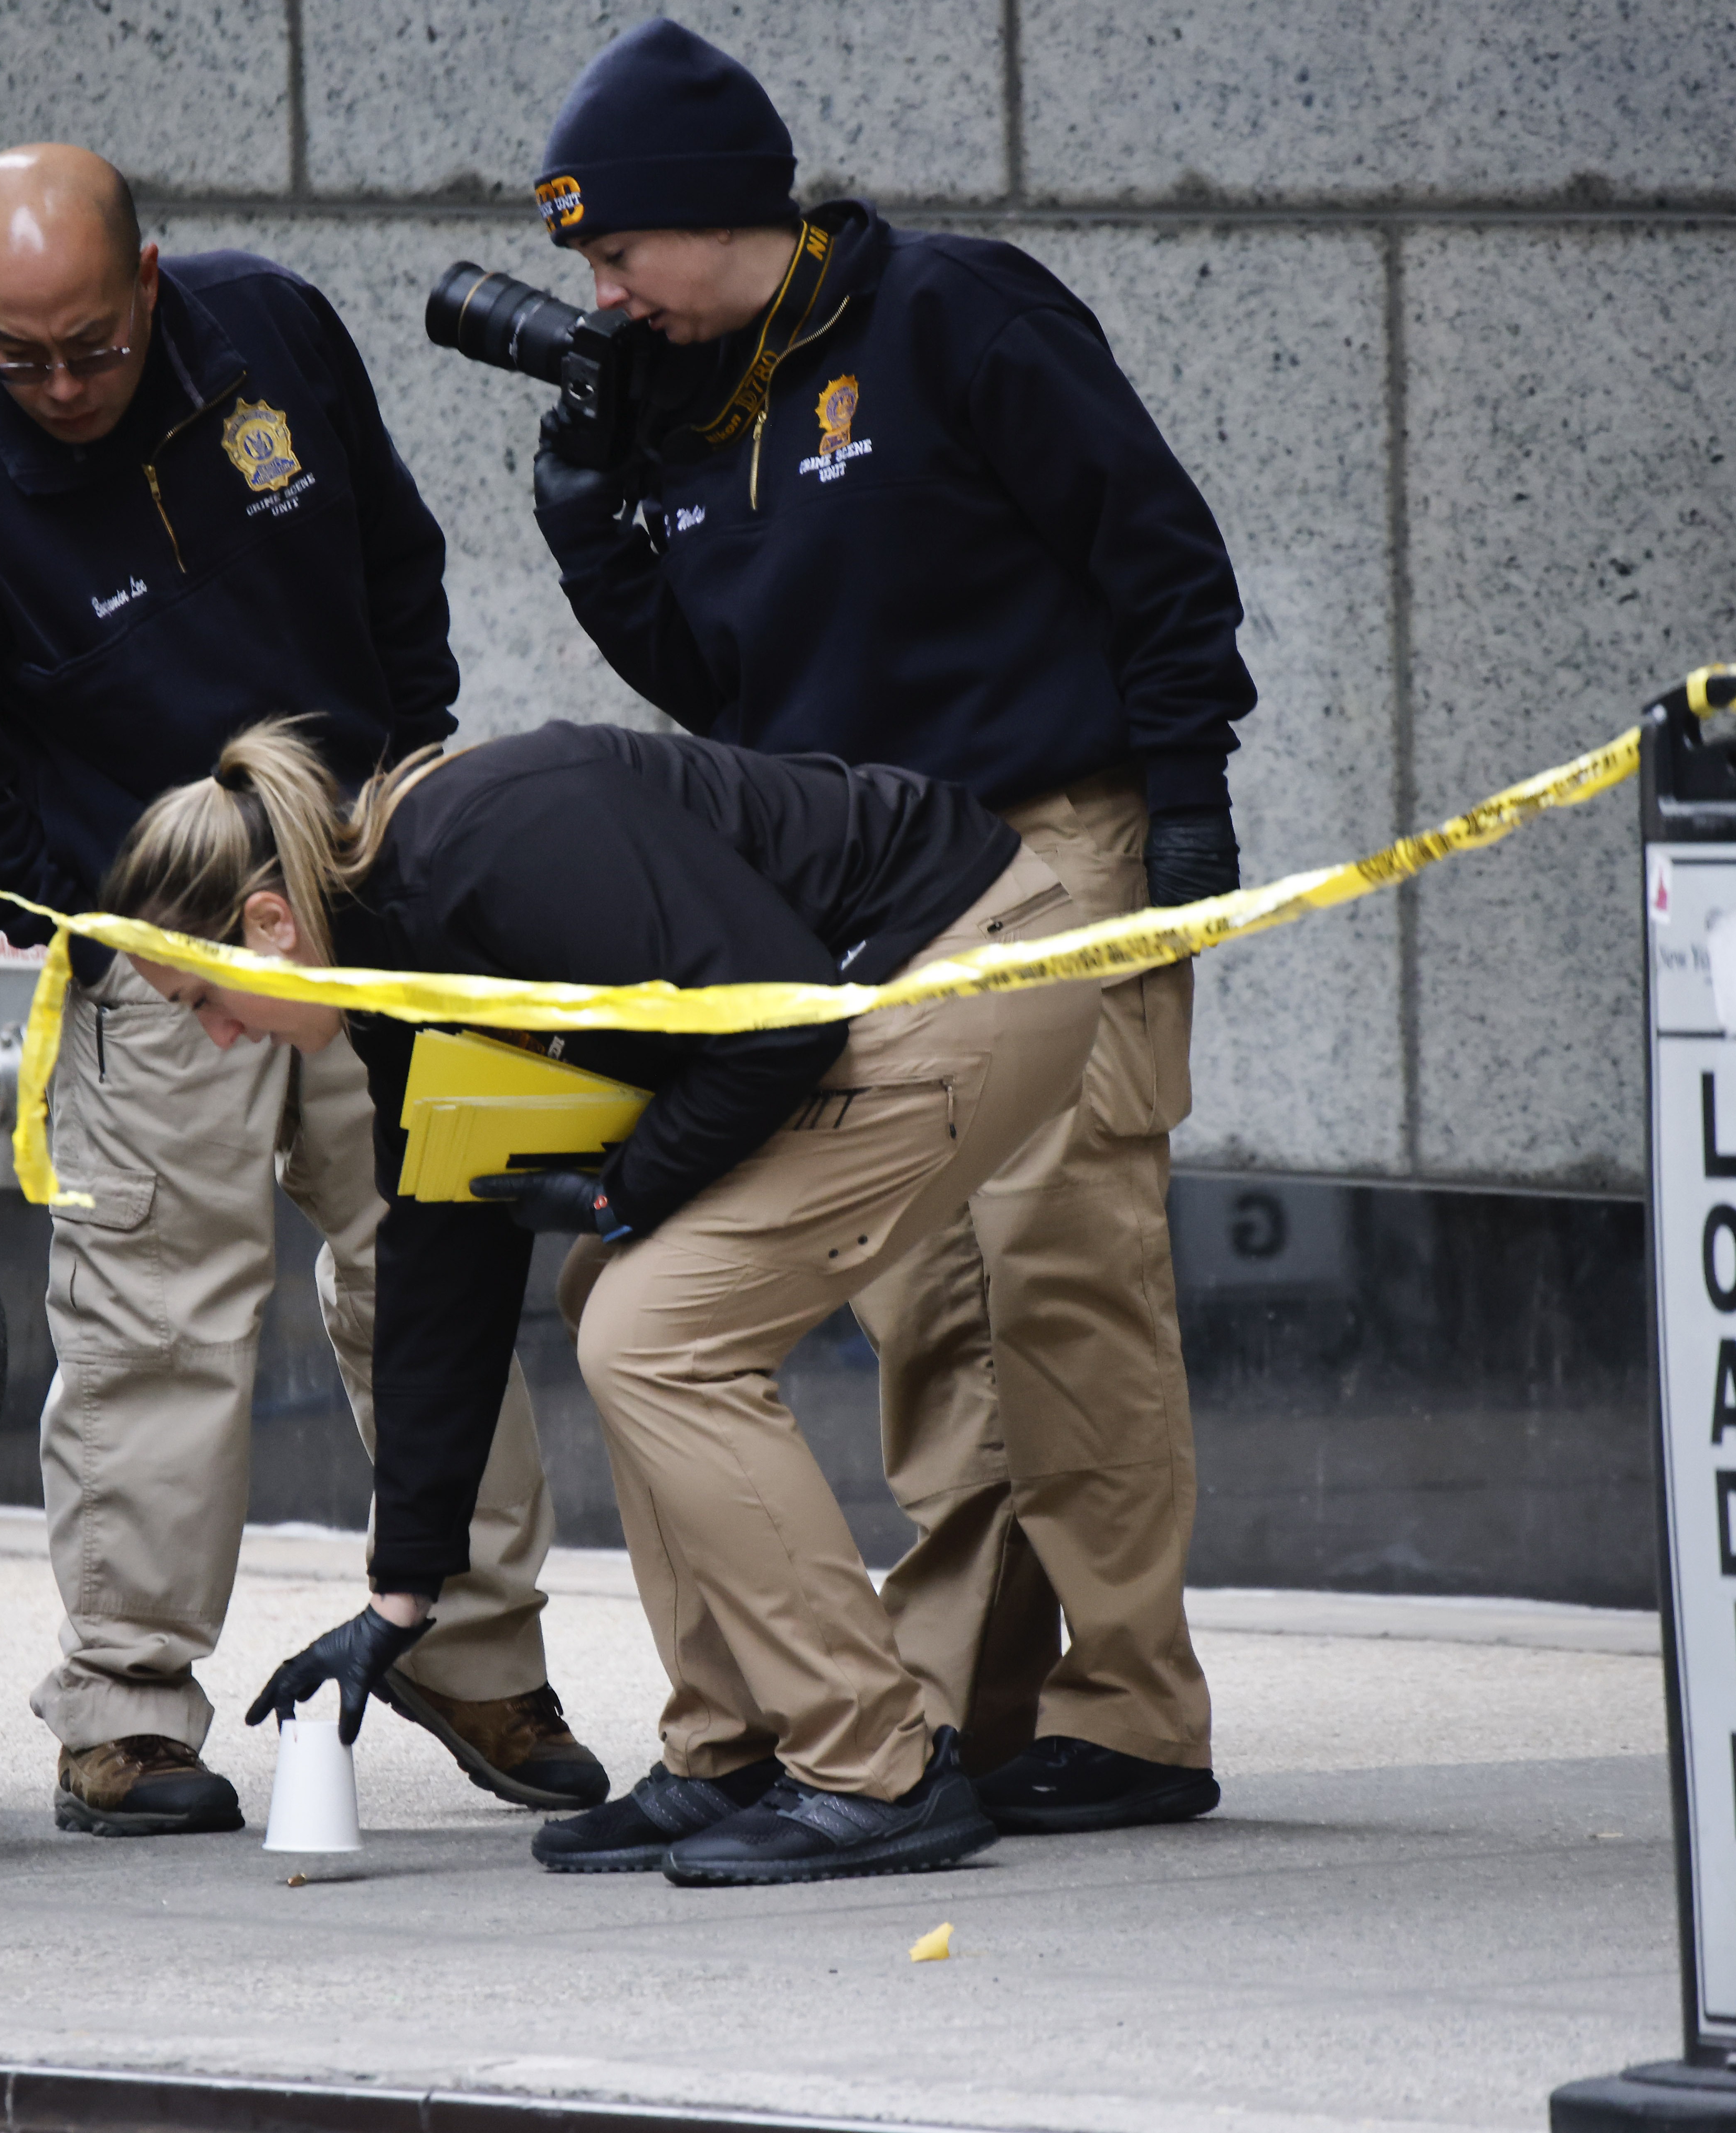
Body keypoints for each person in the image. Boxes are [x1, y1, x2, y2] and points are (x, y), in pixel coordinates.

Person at [513, 18, 1256, 1833]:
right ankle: (960, 1715)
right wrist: (594, 524)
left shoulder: (951, 317)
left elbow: (1154, 552)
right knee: (928, 1302)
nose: (603, 297)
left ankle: (1132, 1712)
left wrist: (1187, 807)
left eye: (616, 254)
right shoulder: (690, 402)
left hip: (1048, 834)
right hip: (866, 882)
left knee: (1062, 1276)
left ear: (707, 213)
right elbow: (713, 681)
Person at [0, 145, 605, 1837]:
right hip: (153, 956)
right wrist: (154, 912)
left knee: (435, 1266)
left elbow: (399, 569)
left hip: (364, 904)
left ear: (153, 280)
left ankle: (473, 1650)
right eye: (15, 354)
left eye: (92, 346)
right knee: (151, 1326)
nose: (58, 386)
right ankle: (123, 1707)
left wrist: (395, 806)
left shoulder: (273, 333)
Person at [106, 719, 1103, 1883]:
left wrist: (623, 1192)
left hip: (965, 957)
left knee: (656, 1333)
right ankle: (725, 1754)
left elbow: (775, 1008)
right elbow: (442, 1247)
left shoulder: (492, 844)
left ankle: (871, 1767)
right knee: (615, 1305)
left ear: (267, 928)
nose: (218, 1038)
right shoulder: (391, 959)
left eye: (201, 1002)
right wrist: (401, 1595)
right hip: (882, 979)